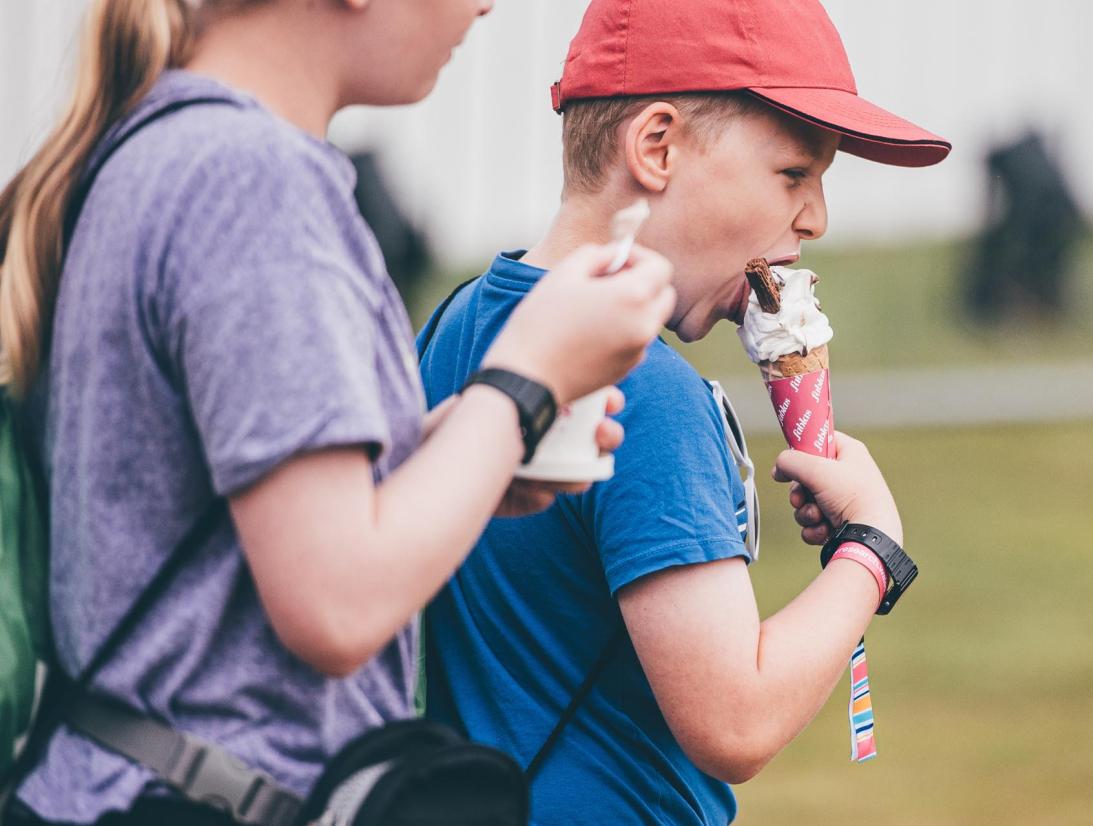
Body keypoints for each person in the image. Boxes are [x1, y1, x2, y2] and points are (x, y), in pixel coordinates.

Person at [0, 0, 674, 824]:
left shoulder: (156, 151)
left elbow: (215, 516)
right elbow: (336, 604)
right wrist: (524, 382)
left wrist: (461, 452)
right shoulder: (252, 182)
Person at [416, 0, 951, 822]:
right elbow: (736, 720)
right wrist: (873, 547)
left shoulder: (457, 325)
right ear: (656, 148)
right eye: (793, 174)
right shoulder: (650, 393)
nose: (816, 218)